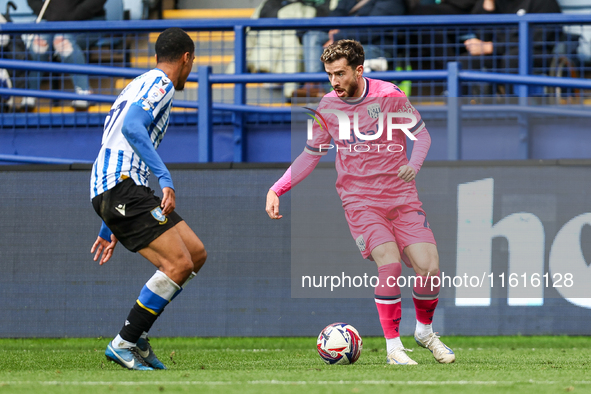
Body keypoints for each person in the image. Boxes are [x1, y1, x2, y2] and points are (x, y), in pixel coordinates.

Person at [266, 39, 454, 365]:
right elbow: (312, 154)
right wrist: (278, 188)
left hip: (401, 198)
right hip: (360, 201)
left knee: (430, 269)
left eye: (340, 74)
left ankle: (424, 331)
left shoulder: (389, 96)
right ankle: (394, 348)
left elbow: (422, 136)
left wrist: (414, 166)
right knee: (390, 263)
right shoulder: (327, 107)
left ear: (359, 70)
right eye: (329, 75)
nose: (334, 82)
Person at [89, 27, 207, 371]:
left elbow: (118, 142)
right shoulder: (162, 85)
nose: (191, 68)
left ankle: (137, 336)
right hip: (121, 186)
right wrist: (165, 178)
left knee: (195, 254)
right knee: (178, 264)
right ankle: (124, 342)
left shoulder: (137, 83)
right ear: (186, 58)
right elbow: (131, 129)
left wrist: (107, 223)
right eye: (192, 61)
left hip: (121, 187)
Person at [296, 0, 406, 97]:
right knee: (313, 36)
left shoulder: (392, 2)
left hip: (376, 47)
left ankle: (319, 88)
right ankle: (315, 86)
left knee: (339, 57)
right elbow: (334, 17)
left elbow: (371, 31)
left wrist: (337, 37)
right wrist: (306, 28)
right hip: (348, 42)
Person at [26, 0, 107, 109]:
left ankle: (84, 93)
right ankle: (29, 94)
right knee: (39, 44)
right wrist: (52, 15)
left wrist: (70, 16)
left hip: (89, 21)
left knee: (63, 42)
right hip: (53, 21)